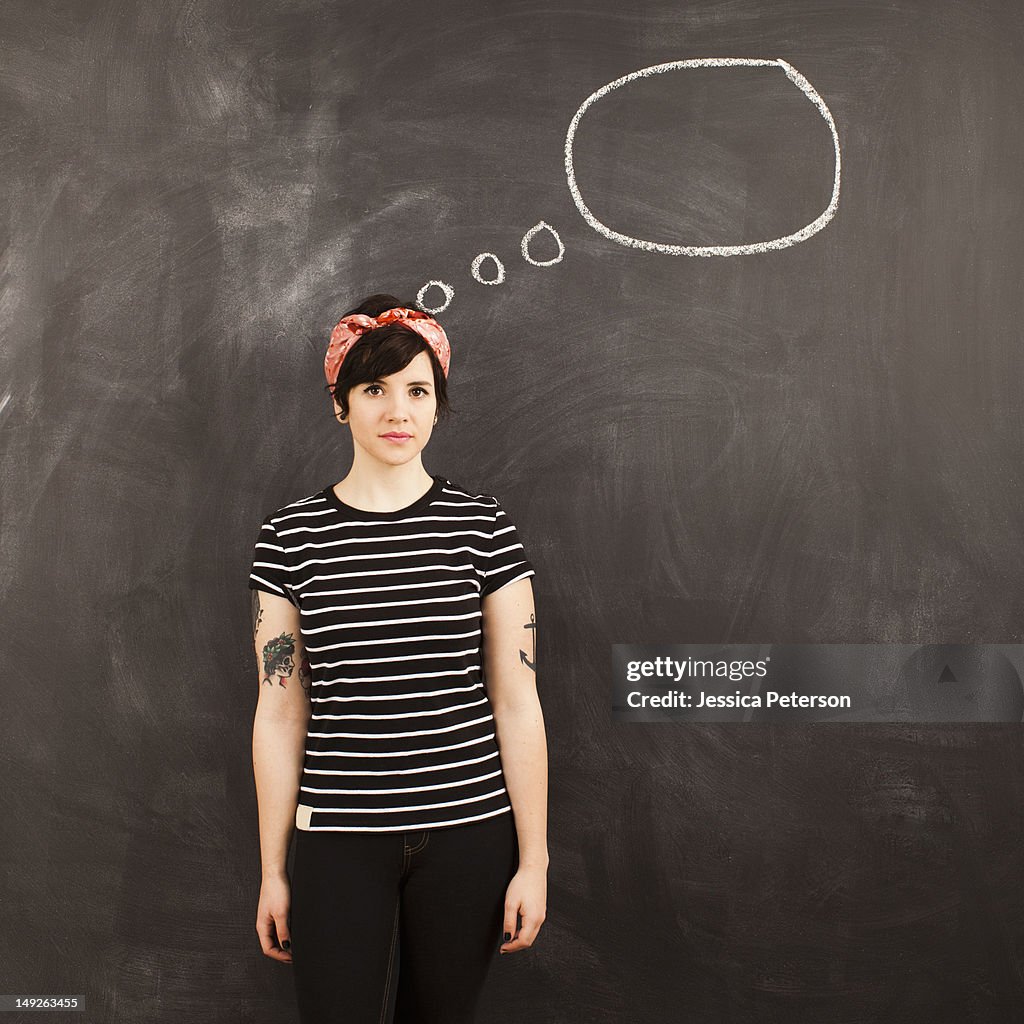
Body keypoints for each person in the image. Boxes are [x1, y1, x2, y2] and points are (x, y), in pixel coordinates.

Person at [247, 293, 548, 1023]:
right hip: (339, 840)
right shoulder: (290, 538)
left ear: (438, 406)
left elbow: (517, 699)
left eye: (417, 390)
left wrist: (534, 861)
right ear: (341, 403)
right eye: (374, 389)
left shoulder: (483, 527)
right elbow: (280, 710)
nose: (397, 411)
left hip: (469, 833)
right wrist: (274, 870)